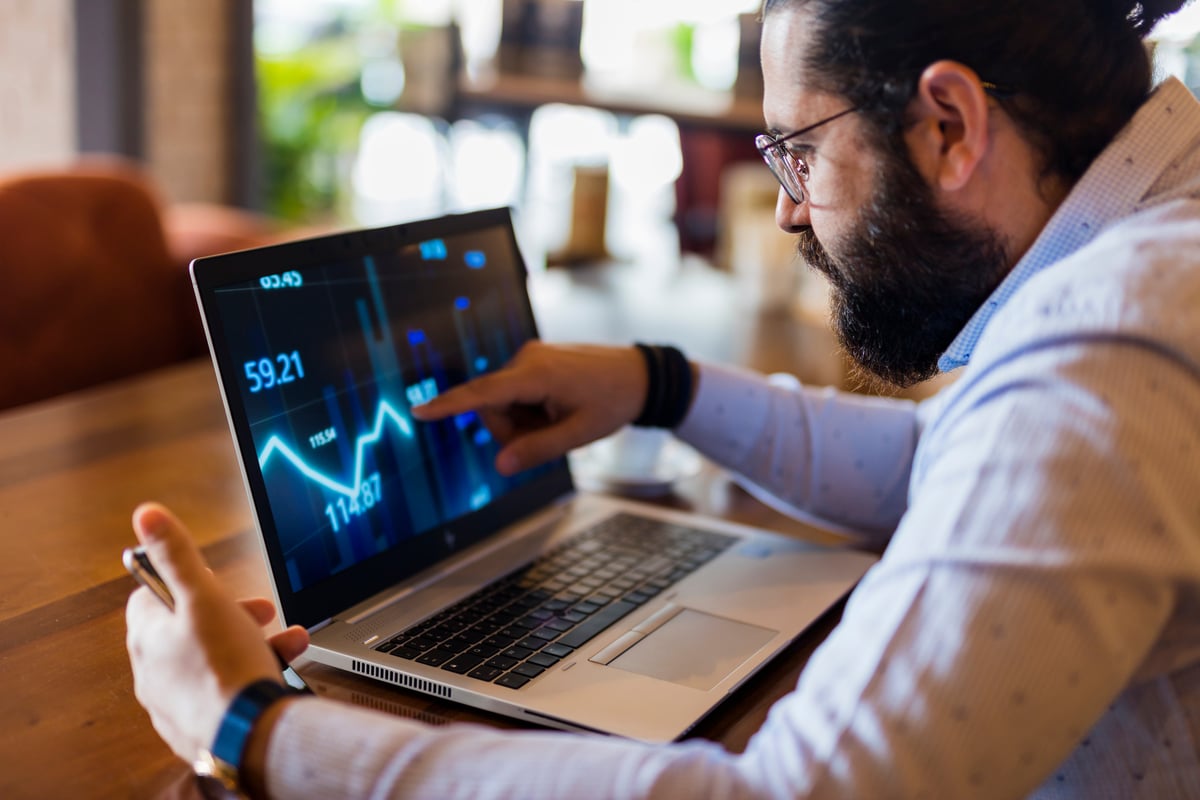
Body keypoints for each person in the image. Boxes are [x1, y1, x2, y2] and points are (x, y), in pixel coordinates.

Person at [125, 0, 1200, 797]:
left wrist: (256, 727)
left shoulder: (1101, 354)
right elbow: (942, 460)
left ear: (950, 126)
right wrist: (658, 385)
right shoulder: (1152, 263)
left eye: (800, 153)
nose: (788, 214)